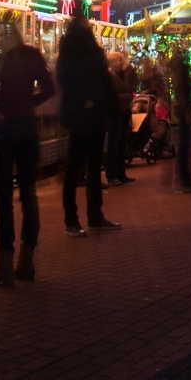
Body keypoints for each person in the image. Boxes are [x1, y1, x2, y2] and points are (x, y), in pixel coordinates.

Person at [0, 22, 55, 288]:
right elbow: (49, 88)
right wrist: (29, 103)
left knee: (4, 197)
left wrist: (1, 104)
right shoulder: (31, 54)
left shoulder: (0, 58)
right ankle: (27, 260)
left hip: (7, 129)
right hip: (28, 128)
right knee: (28, 195)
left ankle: (4, 265)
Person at [57, 17, 121, 236]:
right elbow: (101, 81)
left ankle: (75, 219)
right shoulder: (89, 52)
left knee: (78, 167)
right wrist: (91, 99)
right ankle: (90, 217)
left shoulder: (70, 51)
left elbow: (65, 80)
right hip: (90, 113)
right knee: (89, 167)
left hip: (82, 114)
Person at [170, 43, 191, 192]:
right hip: (182, 108)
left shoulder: (179, 64)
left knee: (186, 144)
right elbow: (181, 88)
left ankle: (187, 178)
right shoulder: (180, 65)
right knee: (184, 144)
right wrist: (185, 110)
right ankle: (182, 180)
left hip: (182, 106)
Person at [105, 51, 136, 185]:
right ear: (113, 62)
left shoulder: (122, 75)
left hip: (124, 112)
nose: (122, 62)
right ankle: (112, 175)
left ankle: (121, 173)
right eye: (119, 60)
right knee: (114, 144)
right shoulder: (110, 76)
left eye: (122, 60)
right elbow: (112, 95)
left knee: (122, 143)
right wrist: (128, 97)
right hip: (116, 113)